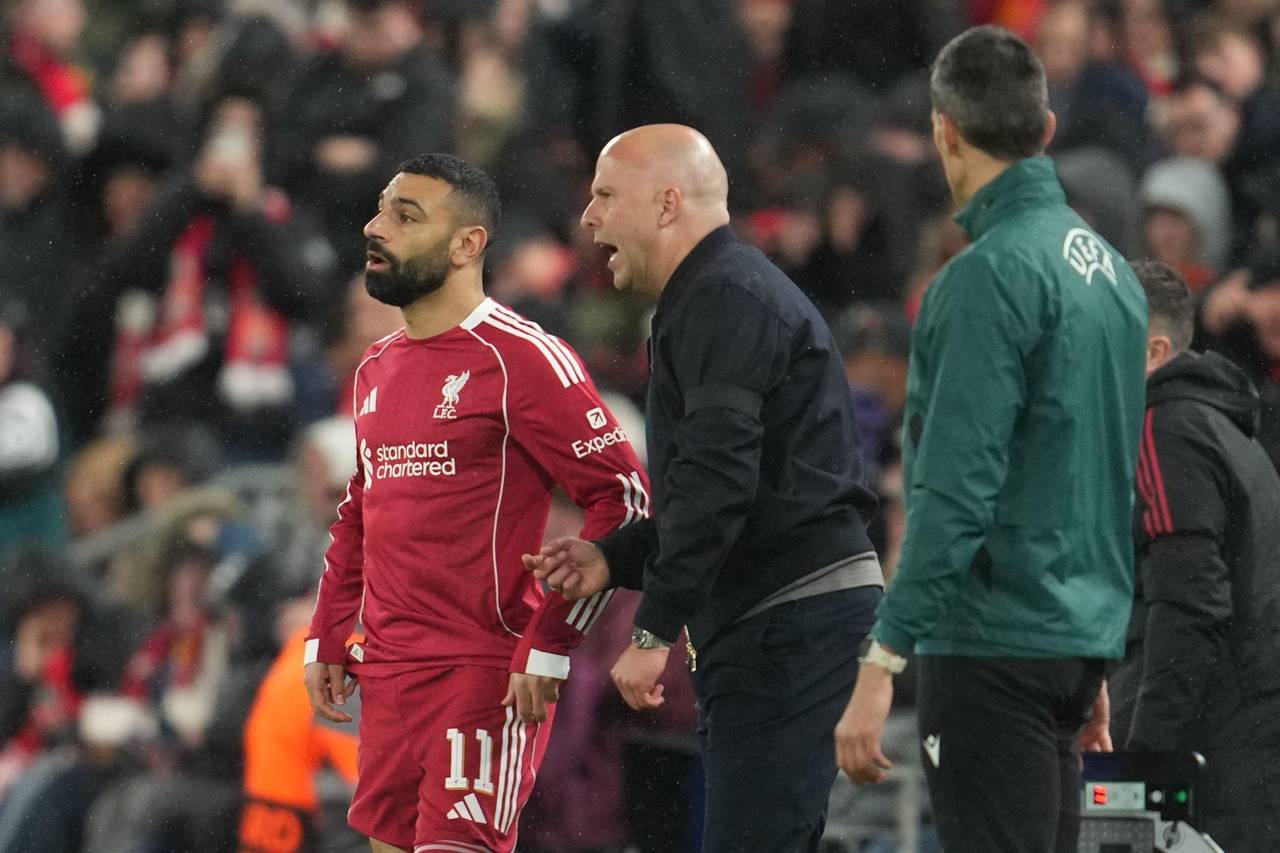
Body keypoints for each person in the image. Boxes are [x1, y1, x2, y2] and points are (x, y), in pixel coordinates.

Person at [526, 124, 884, 853]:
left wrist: (653, 630)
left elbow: (719, 485)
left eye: (605, 195)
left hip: (788, 621)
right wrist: (613, 558)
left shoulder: (723, 296)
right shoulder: (713, 294)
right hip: (780, 616)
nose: (588, 217)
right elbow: (728, 492)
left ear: (666, 203)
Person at [833, 26, 1148, 853]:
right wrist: (1092, 648)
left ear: (944, 130)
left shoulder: (981, 280)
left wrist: (883, 656)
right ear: (1046, 129)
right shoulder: (1113, 275)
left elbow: (956, 491)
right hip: (1074, 636)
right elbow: (1110, 473)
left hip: (992, 642)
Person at [303, 153, 648, 853]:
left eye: (405, 216)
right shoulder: (377, 366)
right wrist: (328, 633)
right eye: (381, 210)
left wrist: (549, 643)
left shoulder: (523, 358)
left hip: (482, 673)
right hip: (388, 673)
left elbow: (624, 501)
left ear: (467, 245)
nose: (375, 227)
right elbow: (360, 512)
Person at [1110, 261, 1280, 849]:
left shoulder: (1164, 428)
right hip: (1249, 731)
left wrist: (1141, 761)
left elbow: (1190, 608)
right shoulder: (1223, 424)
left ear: (1153, 352)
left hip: (1216, 743)